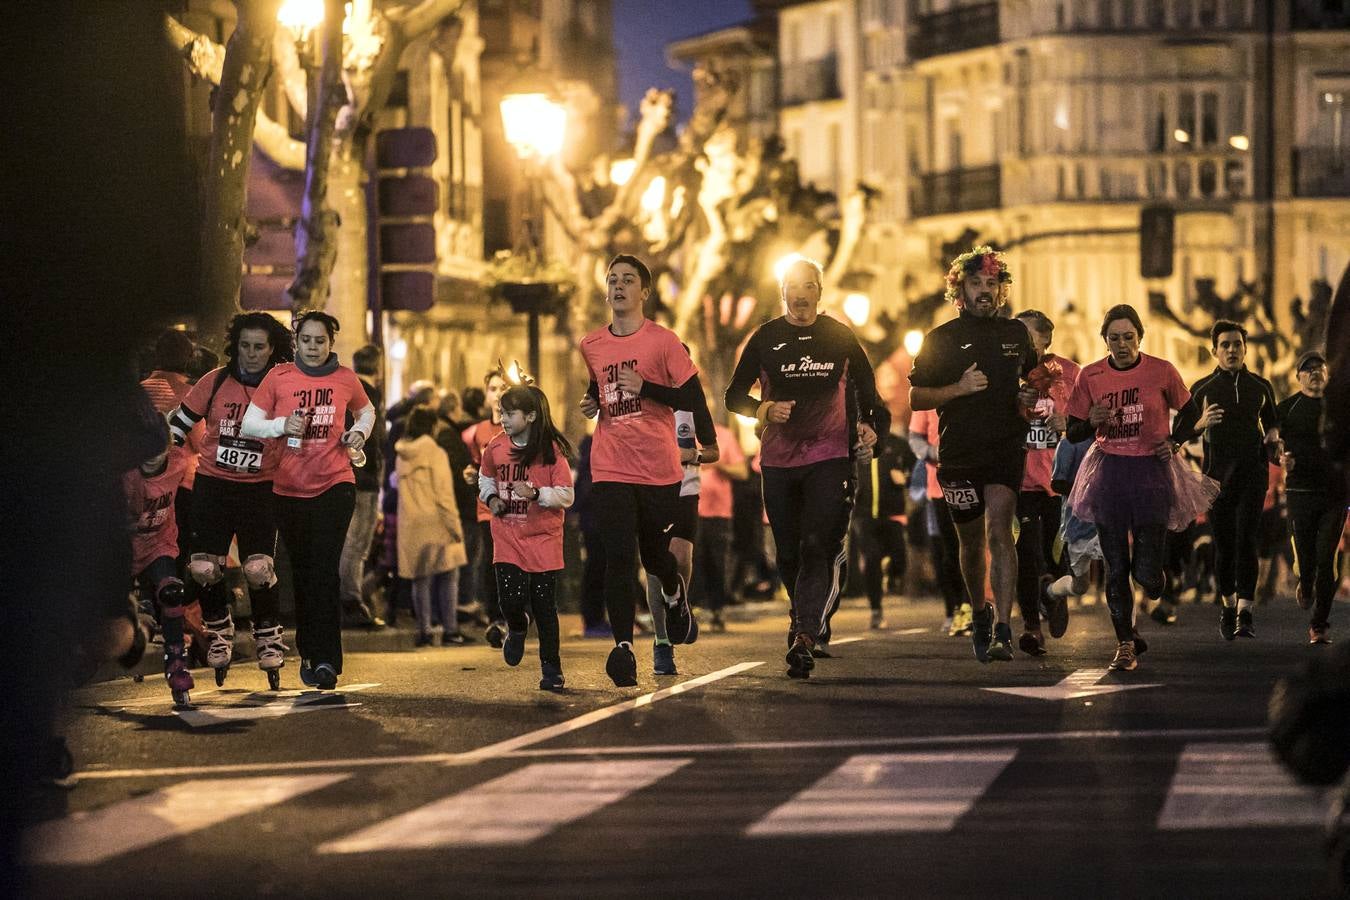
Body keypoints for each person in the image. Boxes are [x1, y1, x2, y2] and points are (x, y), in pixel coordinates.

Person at [725, 253, 889, 678]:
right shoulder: (765, 338)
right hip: (779, 460)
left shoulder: (839, 337)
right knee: (789, 551)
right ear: (783, 293)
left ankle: (804, 635)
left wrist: (871, 429)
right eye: (793, 287)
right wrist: (764, 410)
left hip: (829, 457)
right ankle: (805, 619)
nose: (801, 295)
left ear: (820, 292)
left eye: (809, 287)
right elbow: (733, 396)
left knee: (819, 543)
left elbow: (869, 394)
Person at [580, 254, 716, 687]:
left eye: (628, 280)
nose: (619, 286)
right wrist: (591, 402)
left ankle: (674, 595)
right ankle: (623, 648)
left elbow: (691, 398)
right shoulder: (591, 344)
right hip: (610, 465)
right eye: (613, 280)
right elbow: (599, 385)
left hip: (659, 469)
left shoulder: (664, 342)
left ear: (644, 292)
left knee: (655, 556)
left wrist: (650, 389)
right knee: (617, 557)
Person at [1065, 304, 1219, 671]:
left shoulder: (1161, 371)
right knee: (1116, 566)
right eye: (1114, 338)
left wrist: (1176, 441)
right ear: (1104, 340)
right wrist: (1090, 422)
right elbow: (1072, 432)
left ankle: (1156, 579)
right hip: (1109, 472)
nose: (1122, 344)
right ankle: (1125, 644)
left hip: (1152, 471)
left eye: (1128, 337)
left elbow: (1190, 411)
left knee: (1146, 575)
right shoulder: (1090, 375)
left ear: (1140, 338)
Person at [908, 246, 1038, 663]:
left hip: (1004, 447)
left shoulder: (1016, 334)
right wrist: (958, 389)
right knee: (969, 543)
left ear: (1002, 290)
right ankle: (979, 614)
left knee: (1000, 531)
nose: (985, 291)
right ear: (959, 290)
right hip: (959, 452)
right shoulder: (939, 340)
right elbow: (915, 397)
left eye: (991, 284)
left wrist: (1030, 394)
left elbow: (1033, 377)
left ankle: (1003, 626)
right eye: (976, 283)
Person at [241, 311, 375, 690]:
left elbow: (366, 411)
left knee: (324, 570)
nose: (313, 347)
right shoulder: (278, 377)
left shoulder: (346, 378)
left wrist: (358, 433)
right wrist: (282, 425)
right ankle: (309, 652)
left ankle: (328, 661)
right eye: (307, 340)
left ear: (331, 343)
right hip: (288, 490)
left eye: (321, 341)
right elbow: (251, 424)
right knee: (302, 574)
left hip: (335, 484)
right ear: (296, 342)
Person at [168, 312, 293, 689]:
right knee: (204, 567)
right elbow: (180, 423)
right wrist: (163, 456)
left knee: (257, 568)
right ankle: (218, 628)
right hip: (213, 484)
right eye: (244, 346)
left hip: (259, 488)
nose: (250, 354)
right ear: (235, 346)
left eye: (258, 347)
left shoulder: (282, 387)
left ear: (272, 349)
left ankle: (268, 635)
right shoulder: (215, 380)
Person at [1170, 320, 1280, 640]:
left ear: (1245, 348)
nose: (1232, 350)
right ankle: (1228, 604)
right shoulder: (1202, 388)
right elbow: (1179, 435)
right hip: (1216, 478)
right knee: (1225, 544)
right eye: (1225, 345)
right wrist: (1201, 423)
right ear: (1214, 350)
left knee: (1247, 538)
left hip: (1253, 474)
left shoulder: (1261, 387)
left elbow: (1272, 426)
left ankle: (1245, 611)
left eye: (1237, 345)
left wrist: (1275, 443)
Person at [480, 385, 576, 690]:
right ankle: (518, 626)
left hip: (543, 539)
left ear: (531, 416)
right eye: (502, 412)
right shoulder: (495, 447)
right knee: (509, 600)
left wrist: (536, 494)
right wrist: (492, 498)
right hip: (507, 536)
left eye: (510, 413)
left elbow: (566, 495)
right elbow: (486, 478)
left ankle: (551, 669)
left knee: (545, 606)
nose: (503, 419)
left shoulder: (550, 452)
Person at [1011, 309, 1081, 656]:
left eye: (1027, 336)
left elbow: (1090, 419)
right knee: (1025, 554)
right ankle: (1030, 627)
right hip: (1018, 483)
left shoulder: (1071, 374)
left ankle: (1052, 596)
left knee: (1057, 558)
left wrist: (1068, 422)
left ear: (1044, 340)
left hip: (1059, 483)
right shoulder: (1005, 372)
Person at [643, 366, 720, 676]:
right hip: (650, 489)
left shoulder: (693, 404)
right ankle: (662, 643)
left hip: (686, 489)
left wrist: (693, 456)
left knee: (681, 558)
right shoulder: (646, 403)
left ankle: (679, 609)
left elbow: (714, 451)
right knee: (654, 567)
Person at [1278, 350, 1345, 644]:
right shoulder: (1286, 409)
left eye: (1320, 368)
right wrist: (1279, 459)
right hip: (1299, 493)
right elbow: (1269, 446)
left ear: (1328, 375)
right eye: (1309, 369)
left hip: (1335, 494)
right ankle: (1305, 584)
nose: (1315, 372)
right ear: (1298, 377)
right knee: (1306, 563)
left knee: (1325, 558)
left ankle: (1319, 625)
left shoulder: (1340, 409)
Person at [124, 420, 192, 706]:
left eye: (159, 448)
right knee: (122, 614)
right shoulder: (126, 475)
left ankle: (177, 662)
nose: (153, 455)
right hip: (125, 547)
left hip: (160, 543)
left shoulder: (178, 462)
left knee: (172, 593)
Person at [395, 406, 468, 646]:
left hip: (411, 522)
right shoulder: (435, 452)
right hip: (436, 520)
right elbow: (444, 495)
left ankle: (424, 630)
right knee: (449, 575)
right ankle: (450, 629)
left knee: (420, 578)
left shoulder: (401, 453)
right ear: (432, 426)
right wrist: (455, 527)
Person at [909, 407, 973, 636]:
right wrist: (933, 452)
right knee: (949, 549)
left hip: (971, 479)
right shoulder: (927, 397)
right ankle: (954, 608)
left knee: (973, 544)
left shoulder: (970, 389)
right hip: (938, 486)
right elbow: (915, 438)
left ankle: (973, 607)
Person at [338, 344, 387, 629]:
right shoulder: (368, 394)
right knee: (357, 543)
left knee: (352, 541)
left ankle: (350, 597)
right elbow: (372, 437)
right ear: (378, 366)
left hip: (355, 475)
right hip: (363, 477)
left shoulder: (347, 389)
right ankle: (350, 600)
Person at [462, 366, 509, 646]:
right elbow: (476, 465)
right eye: (493, 389)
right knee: (491, 563)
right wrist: (470, 473)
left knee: (512, 564)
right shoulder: (476, 432)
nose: (498, 394)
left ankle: (515, 615)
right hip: (487, 507)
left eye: (503, 388)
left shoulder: (518, 426)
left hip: (516, 507)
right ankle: (496, 619)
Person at [694, 419, 747, 634]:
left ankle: (717, 609)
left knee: (716, 561)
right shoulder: (679, 430)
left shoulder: (723, 435)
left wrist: (715, 462)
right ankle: (691, 609)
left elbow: (742, 471)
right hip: (689, 508)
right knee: (691, 559)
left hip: (718, 512)